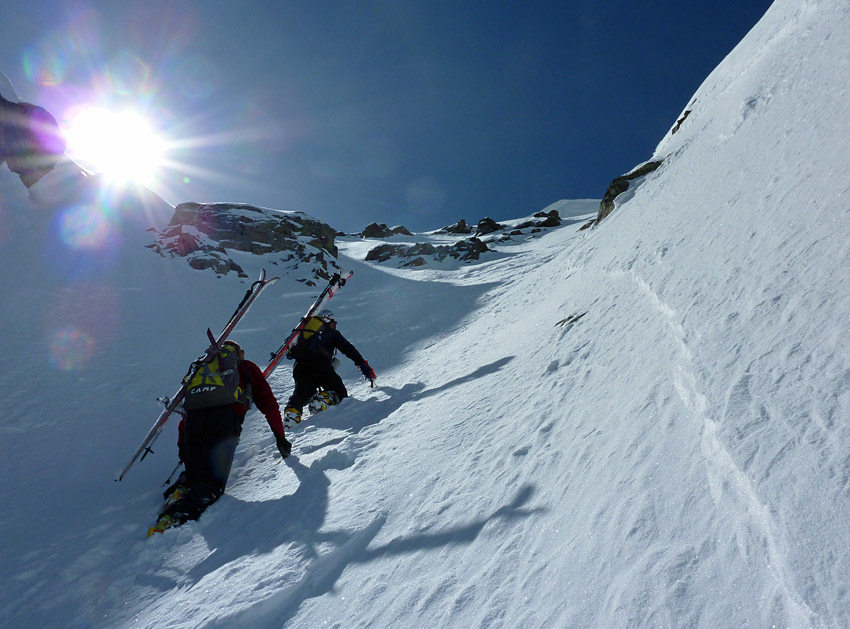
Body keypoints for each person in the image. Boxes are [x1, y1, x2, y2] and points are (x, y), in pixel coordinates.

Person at [148, 340, 291, 536]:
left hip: (193, 423)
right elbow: (269, 405)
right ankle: (174, 516)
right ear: (239, 353)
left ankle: (181, 488)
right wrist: (280, 437)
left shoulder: (201, 368)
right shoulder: (246, 367)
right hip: (224, 421)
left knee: (196, 471)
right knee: (212, 484)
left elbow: (186, 416)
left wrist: (184, 450)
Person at [284, 309, 376, 424]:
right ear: (328, 319)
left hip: (299, 367)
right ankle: (322, 400)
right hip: (320, 365)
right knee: (340, 391)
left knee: (302, 392)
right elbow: (348, 349)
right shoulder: (331, 332)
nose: (334, 325)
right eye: (333, 322)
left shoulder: (304, 333)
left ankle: (292, 413)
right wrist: (363, 365)